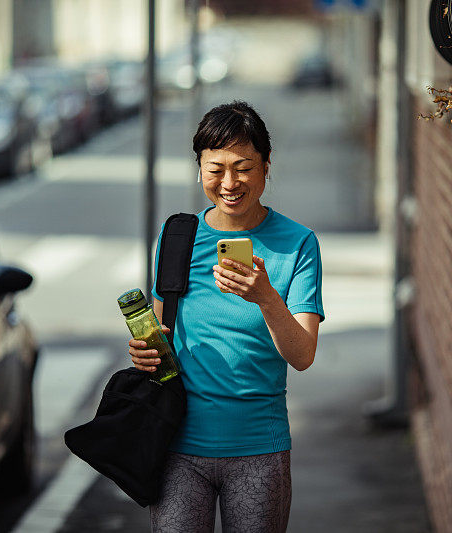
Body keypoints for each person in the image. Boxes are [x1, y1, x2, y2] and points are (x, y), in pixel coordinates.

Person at [128, 100, 324, 532]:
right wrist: (147, 353)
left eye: (244, 167)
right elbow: (164, 333)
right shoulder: (177, 235)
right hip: (177, 445)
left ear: (267, 165)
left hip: (259, 450)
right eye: (216, 169)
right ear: (199, 168)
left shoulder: (298, 244)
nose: (230, 183)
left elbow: (303, 354)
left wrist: (266, 298)